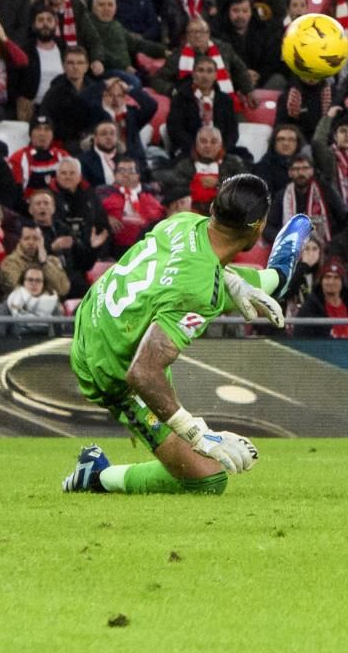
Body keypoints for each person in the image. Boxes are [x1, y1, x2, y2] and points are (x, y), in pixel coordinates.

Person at [60, 184, 311, 495]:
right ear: (258, 228)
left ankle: (274, 279)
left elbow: (186, 267)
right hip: (111, 364)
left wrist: (230, 279)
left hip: (98, 315)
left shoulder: (182, 221)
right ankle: (97, 476)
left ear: (213, 210)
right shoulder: (198, 291)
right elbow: (143, 372)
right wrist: (197, 434)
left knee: (244, 284)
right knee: (208, 480)